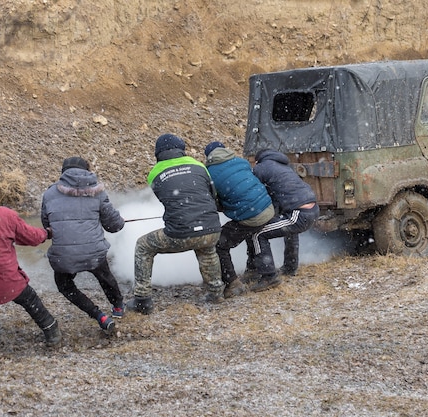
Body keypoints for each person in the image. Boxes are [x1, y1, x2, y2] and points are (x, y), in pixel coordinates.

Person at [126, 134, 223, 314]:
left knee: (143, 246)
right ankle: (216, 292)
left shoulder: (155, 173)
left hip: (181, 232)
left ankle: (142, 299)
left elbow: (166, 200)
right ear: (182, 149)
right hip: (211, 228)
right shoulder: (199, 165)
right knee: (207, 248)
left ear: (158, 153)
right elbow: (212, 194)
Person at [41, 157, 125, 334]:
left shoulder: (49, 194)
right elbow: (114, 226)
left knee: (64, 285)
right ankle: (117, 306)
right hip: (93, 253)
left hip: (64, 255)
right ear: (88, 171)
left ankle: (98, 315)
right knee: (104, 274)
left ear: (63, 173)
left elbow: (46, 225)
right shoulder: (98, 192)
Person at [204, 142, 276, 297]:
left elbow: (215, 201)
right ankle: (254, 269)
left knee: (219, 244)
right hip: (267, 207)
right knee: (250, 230)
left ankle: (233, 284)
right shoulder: (241, 161)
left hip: (252, 214)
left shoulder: (209, 173)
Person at [245, 149, 319, 290]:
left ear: (258, 160)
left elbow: (251, 190)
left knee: (257, 234)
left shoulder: (262, 167)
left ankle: (269, 277)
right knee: (290, 231)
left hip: (299, 213)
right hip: (312, 209)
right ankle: (290, 267)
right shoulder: (283, 167)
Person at [0, 206, 62, 348]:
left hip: (6, 280)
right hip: (7, 281)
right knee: (29, 299)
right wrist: (46, 233)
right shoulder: (4, 215)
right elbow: (31, 237)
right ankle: (52, 332)